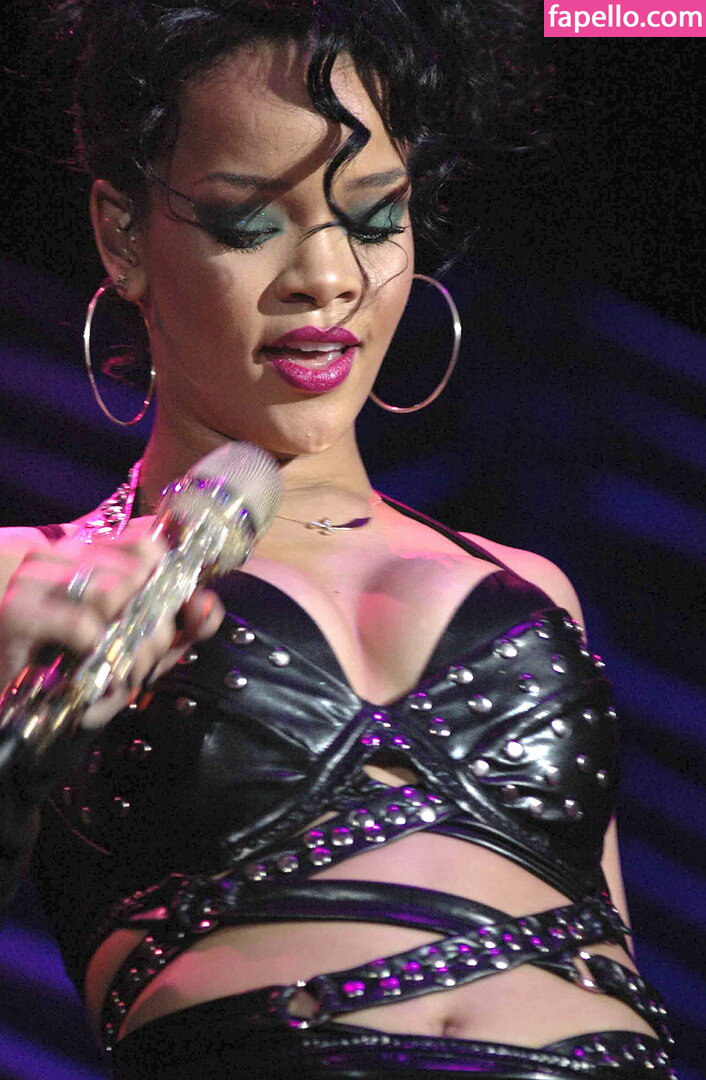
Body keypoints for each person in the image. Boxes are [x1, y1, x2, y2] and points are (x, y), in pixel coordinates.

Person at [0, 1, 676, 1077]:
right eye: (248, 222)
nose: (327, 278)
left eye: (371, 217)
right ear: (123, 236)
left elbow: (607, 950)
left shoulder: (531, 585)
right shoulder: (29, 580)